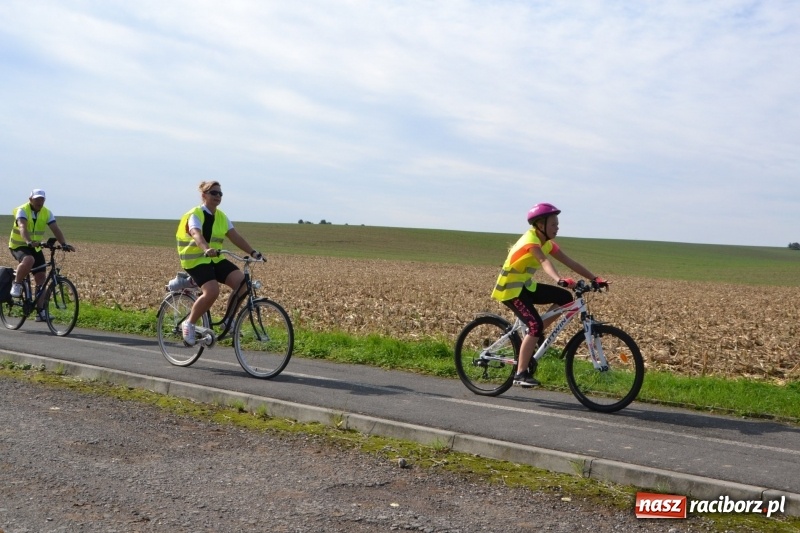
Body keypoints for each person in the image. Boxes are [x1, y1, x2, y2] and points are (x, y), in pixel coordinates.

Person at [491, 203, 608, 387]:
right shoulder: (530, 241)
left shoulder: (547, 243)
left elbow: (570, 262)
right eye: (553, 224)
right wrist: (558, 279)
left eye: (557, 224)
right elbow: (543, 261)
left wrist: (595, 278)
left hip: (525, 287)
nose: (557, 227)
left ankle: (532, 333)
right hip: (510, 289)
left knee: (565, 298)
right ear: (540, 225)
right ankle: (520, 374)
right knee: (536, 325)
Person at [176, 181, 263, 345]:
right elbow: (196, 233)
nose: (218, 196)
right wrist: (206, 248)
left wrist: (253, 252)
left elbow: (235, 236)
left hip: (215, 259)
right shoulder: (195, 214)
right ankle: (189, 323)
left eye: (220, 194)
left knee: (243, 283)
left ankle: (228, 321)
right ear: (204, 195)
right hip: (195, 260)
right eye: (214, 193)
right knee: (212, 291)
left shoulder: (221, 216)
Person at [8, 189, 75, 321]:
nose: (39, 202)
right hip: (18, 245)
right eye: (37, 199)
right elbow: (22, 227)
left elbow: (55, 228)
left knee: (41, 279)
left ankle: (41, 312)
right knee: (29, 260)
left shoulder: (46, 213)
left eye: (42, 199)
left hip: (35, 247)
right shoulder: (22, 210)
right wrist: (28, 241)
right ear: (30, 199)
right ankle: (17, 283)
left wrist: (64, 244)